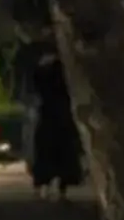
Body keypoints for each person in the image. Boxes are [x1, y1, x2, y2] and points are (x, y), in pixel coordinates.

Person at [28, 49, 84, 198]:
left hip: (50, 115)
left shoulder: (44, 70)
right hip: (61, 115)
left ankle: (46, 186)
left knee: (47, 151)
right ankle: (59, 188)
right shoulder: (65, 71)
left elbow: (36, 85)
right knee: (61, 153)